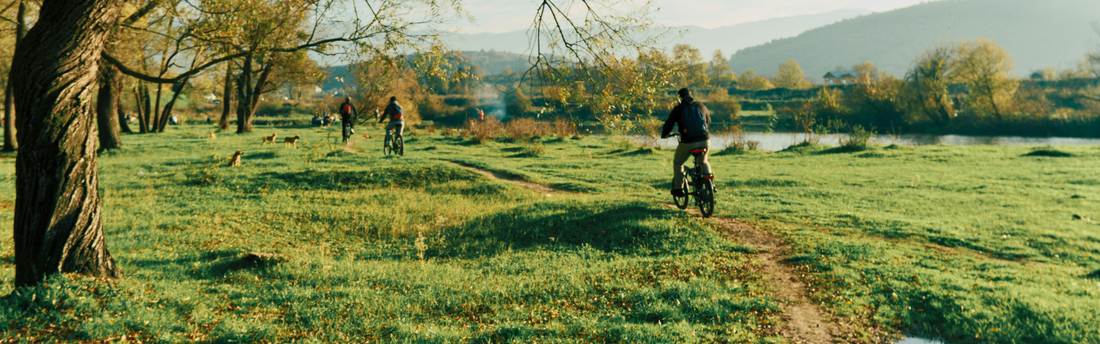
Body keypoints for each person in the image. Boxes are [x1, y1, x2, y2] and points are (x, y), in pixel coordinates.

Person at [660, 88, 712, 197]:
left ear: (680, 98)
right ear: (691, 95)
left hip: (688, 142)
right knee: (703, 161)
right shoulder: (701, 105)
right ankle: (710, 184)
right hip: (705, 140)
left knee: (678, 163)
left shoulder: (678, 109)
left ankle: (679, 189)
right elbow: (708, 121)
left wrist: (664, 135)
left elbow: (669, 124)